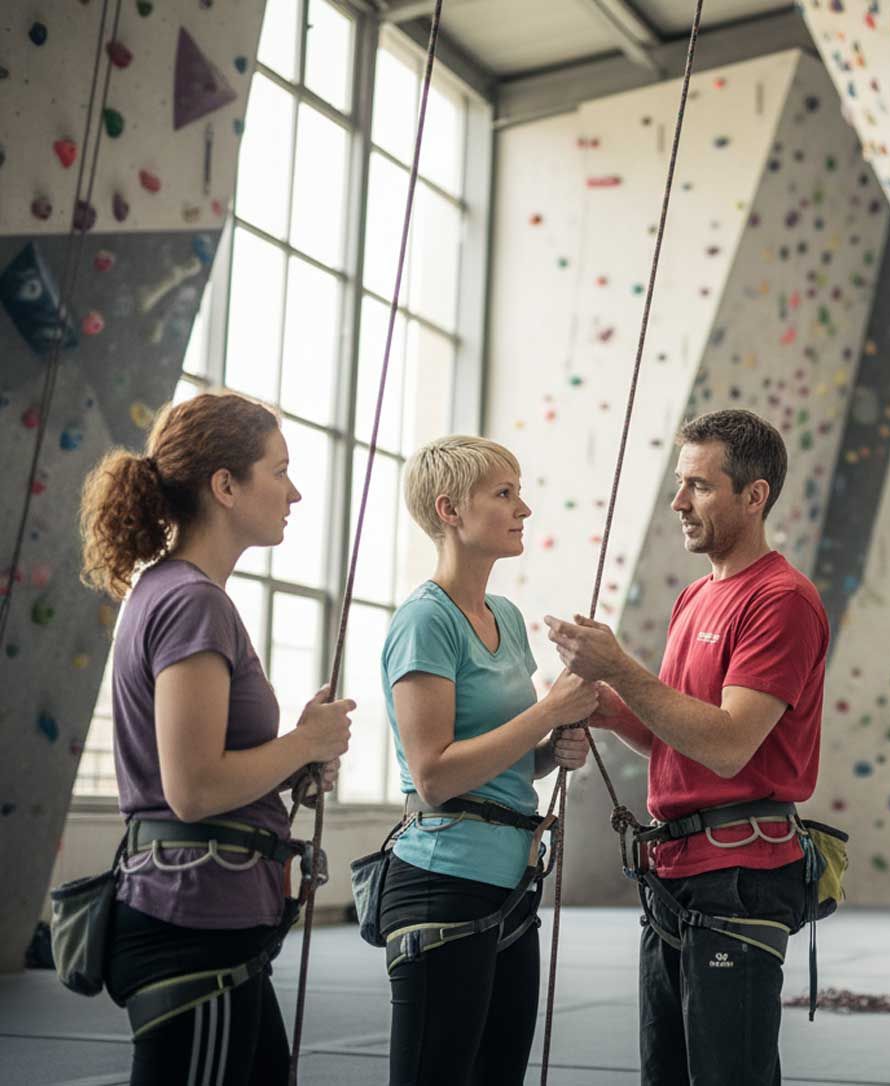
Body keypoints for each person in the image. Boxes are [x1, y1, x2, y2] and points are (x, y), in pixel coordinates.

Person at [543, 408, 829, 1086]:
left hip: (737, 877)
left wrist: (620, 669)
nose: (679, 501)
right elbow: (679, 735)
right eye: (679, 482)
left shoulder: (781, 600)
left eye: (698, 485)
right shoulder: (696, 597)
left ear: (754, 496)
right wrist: (606, 706)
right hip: (675, 874)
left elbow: (728, 745)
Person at [79, 391, 354, 1086]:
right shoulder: (191, 601)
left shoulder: (175, 593)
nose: (294, 492)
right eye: (279, 470)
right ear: (225, 486)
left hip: (210, 919)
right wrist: (304, 741)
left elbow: (209, 773)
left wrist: (295, 760)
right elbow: (194, 787)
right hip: (191, 924)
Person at [379, 436, 597, 1086]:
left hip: (512, 885)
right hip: (438, 882)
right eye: (504, 494)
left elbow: (500, 766)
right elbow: (436, 774)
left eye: (519, 491)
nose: (523, 508)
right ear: (450, 509)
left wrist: (552, 753)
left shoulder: (504, 615)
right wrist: (547, 715)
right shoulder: (425, 621)